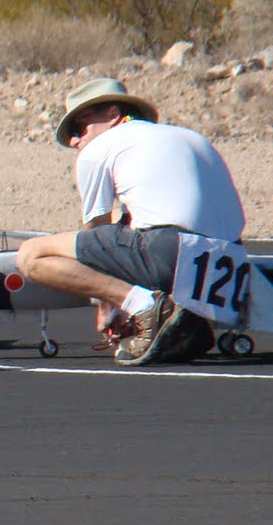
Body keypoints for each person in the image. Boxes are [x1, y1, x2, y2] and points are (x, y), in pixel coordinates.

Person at [16, 77, 245, 366]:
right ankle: (181, 318)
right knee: (126, 223)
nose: (74, 140)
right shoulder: (188, 136)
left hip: (171, 253)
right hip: (232, 262)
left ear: (112, 115)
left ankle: (145, 307)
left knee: (31, 255)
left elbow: (96, 235)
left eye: (79, 127)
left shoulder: (97, 150)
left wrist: (110, 305)